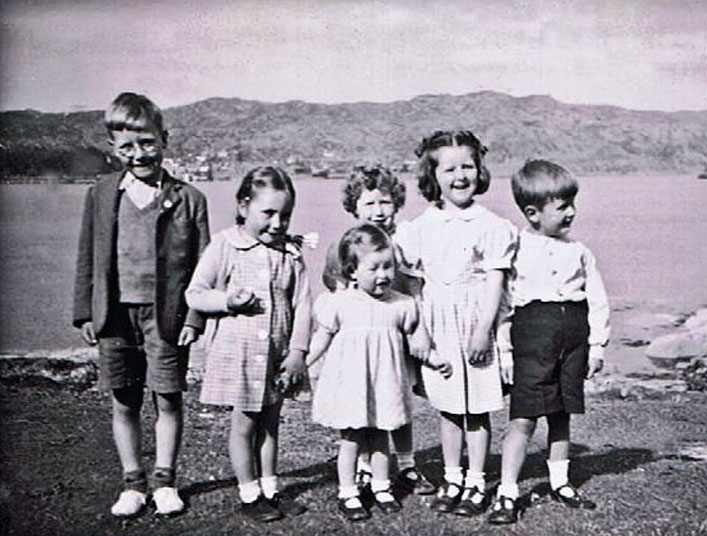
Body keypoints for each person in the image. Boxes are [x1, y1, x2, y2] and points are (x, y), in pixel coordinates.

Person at [72, 92, 209, 517]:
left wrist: (196, 316)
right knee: (124, 400)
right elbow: (87, 257)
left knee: (167, 398)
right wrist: (84, 312)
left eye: (147, 143)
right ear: (113, 149)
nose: (138, 154)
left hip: (166, 316)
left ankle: (165, 481)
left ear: (164, 139)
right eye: (127, 146)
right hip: (114, 315)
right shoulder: (101, 194)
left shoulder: (189, 199)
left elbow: (204, 267)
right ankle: (133, 483)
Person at [393, 130, 516, 517]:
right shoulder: (419, 227)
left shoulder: (491, 225)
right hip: (438, 323)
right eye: (449, 169)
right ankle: (452, 476)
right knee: (448, 408)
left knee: (476, 409)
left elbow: (496, 281)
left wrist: (485, 330)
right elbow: (414, 285)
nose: (460, 175)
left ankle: (477, 481)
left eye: (468, 166)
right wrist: (421, 333)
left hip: (475, 322)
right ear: (433, 175)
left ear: (480, 171)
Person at [185, 166, 311, 523]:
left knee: (271, 423)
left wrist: (298, 352)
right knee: (244, 425)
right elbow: (195, 293)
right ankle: (249, 492)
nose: (277, 223)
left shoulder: (291, 253)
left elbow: (304, 304)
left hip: (276, 355)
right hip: (239, 355)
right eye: (267, 213)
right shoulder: (225, 244)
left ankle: (271, 488)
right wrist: (227, 301)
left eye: (285, 215)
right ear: (243, 207)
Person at [487, 159, 609, 524]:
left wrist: (597, 345)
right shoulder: (516, 248)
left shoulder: (581, 251)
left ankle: (560, 482)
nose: (571, 212)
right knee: (524, 418)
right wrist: (505, 351)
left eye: (573, 204)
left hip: (573, 337)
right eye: (562, 207)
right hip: (532, 338)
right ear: (533, 212)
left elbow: (597, 299)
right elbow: (505, 305)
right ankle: (507, 491)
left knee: (561, 413)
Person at [307, 224, 446, 521]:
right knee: (352, 439)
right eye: (374, 268)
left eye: (388, 267)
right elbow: (322, 336)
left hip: (385, 383)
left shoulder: (401, 304)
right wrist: (303, 361)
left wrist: (435, 360)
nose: (383, 275)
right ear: (352, 271)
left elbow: (415, 343)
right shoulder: (340, 303)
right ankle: (348, 492)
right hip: (352, 385)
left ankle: (381, 487)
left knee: (382, 435)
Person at [319, 165, 437, 496]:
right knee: (363, 401)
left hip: (399, 332)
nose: (378, 211)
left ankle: (408, 464)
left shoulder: (403, 241)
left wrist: (422, 331)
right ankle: (364, 467)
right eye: (369, 204)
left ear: (396, 203)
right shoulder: (347, 246)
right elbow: (335, 288)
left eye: (384, 202)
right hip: (364, 340)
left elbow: (415, 288)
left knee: (397, 400)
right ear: (354, 207)